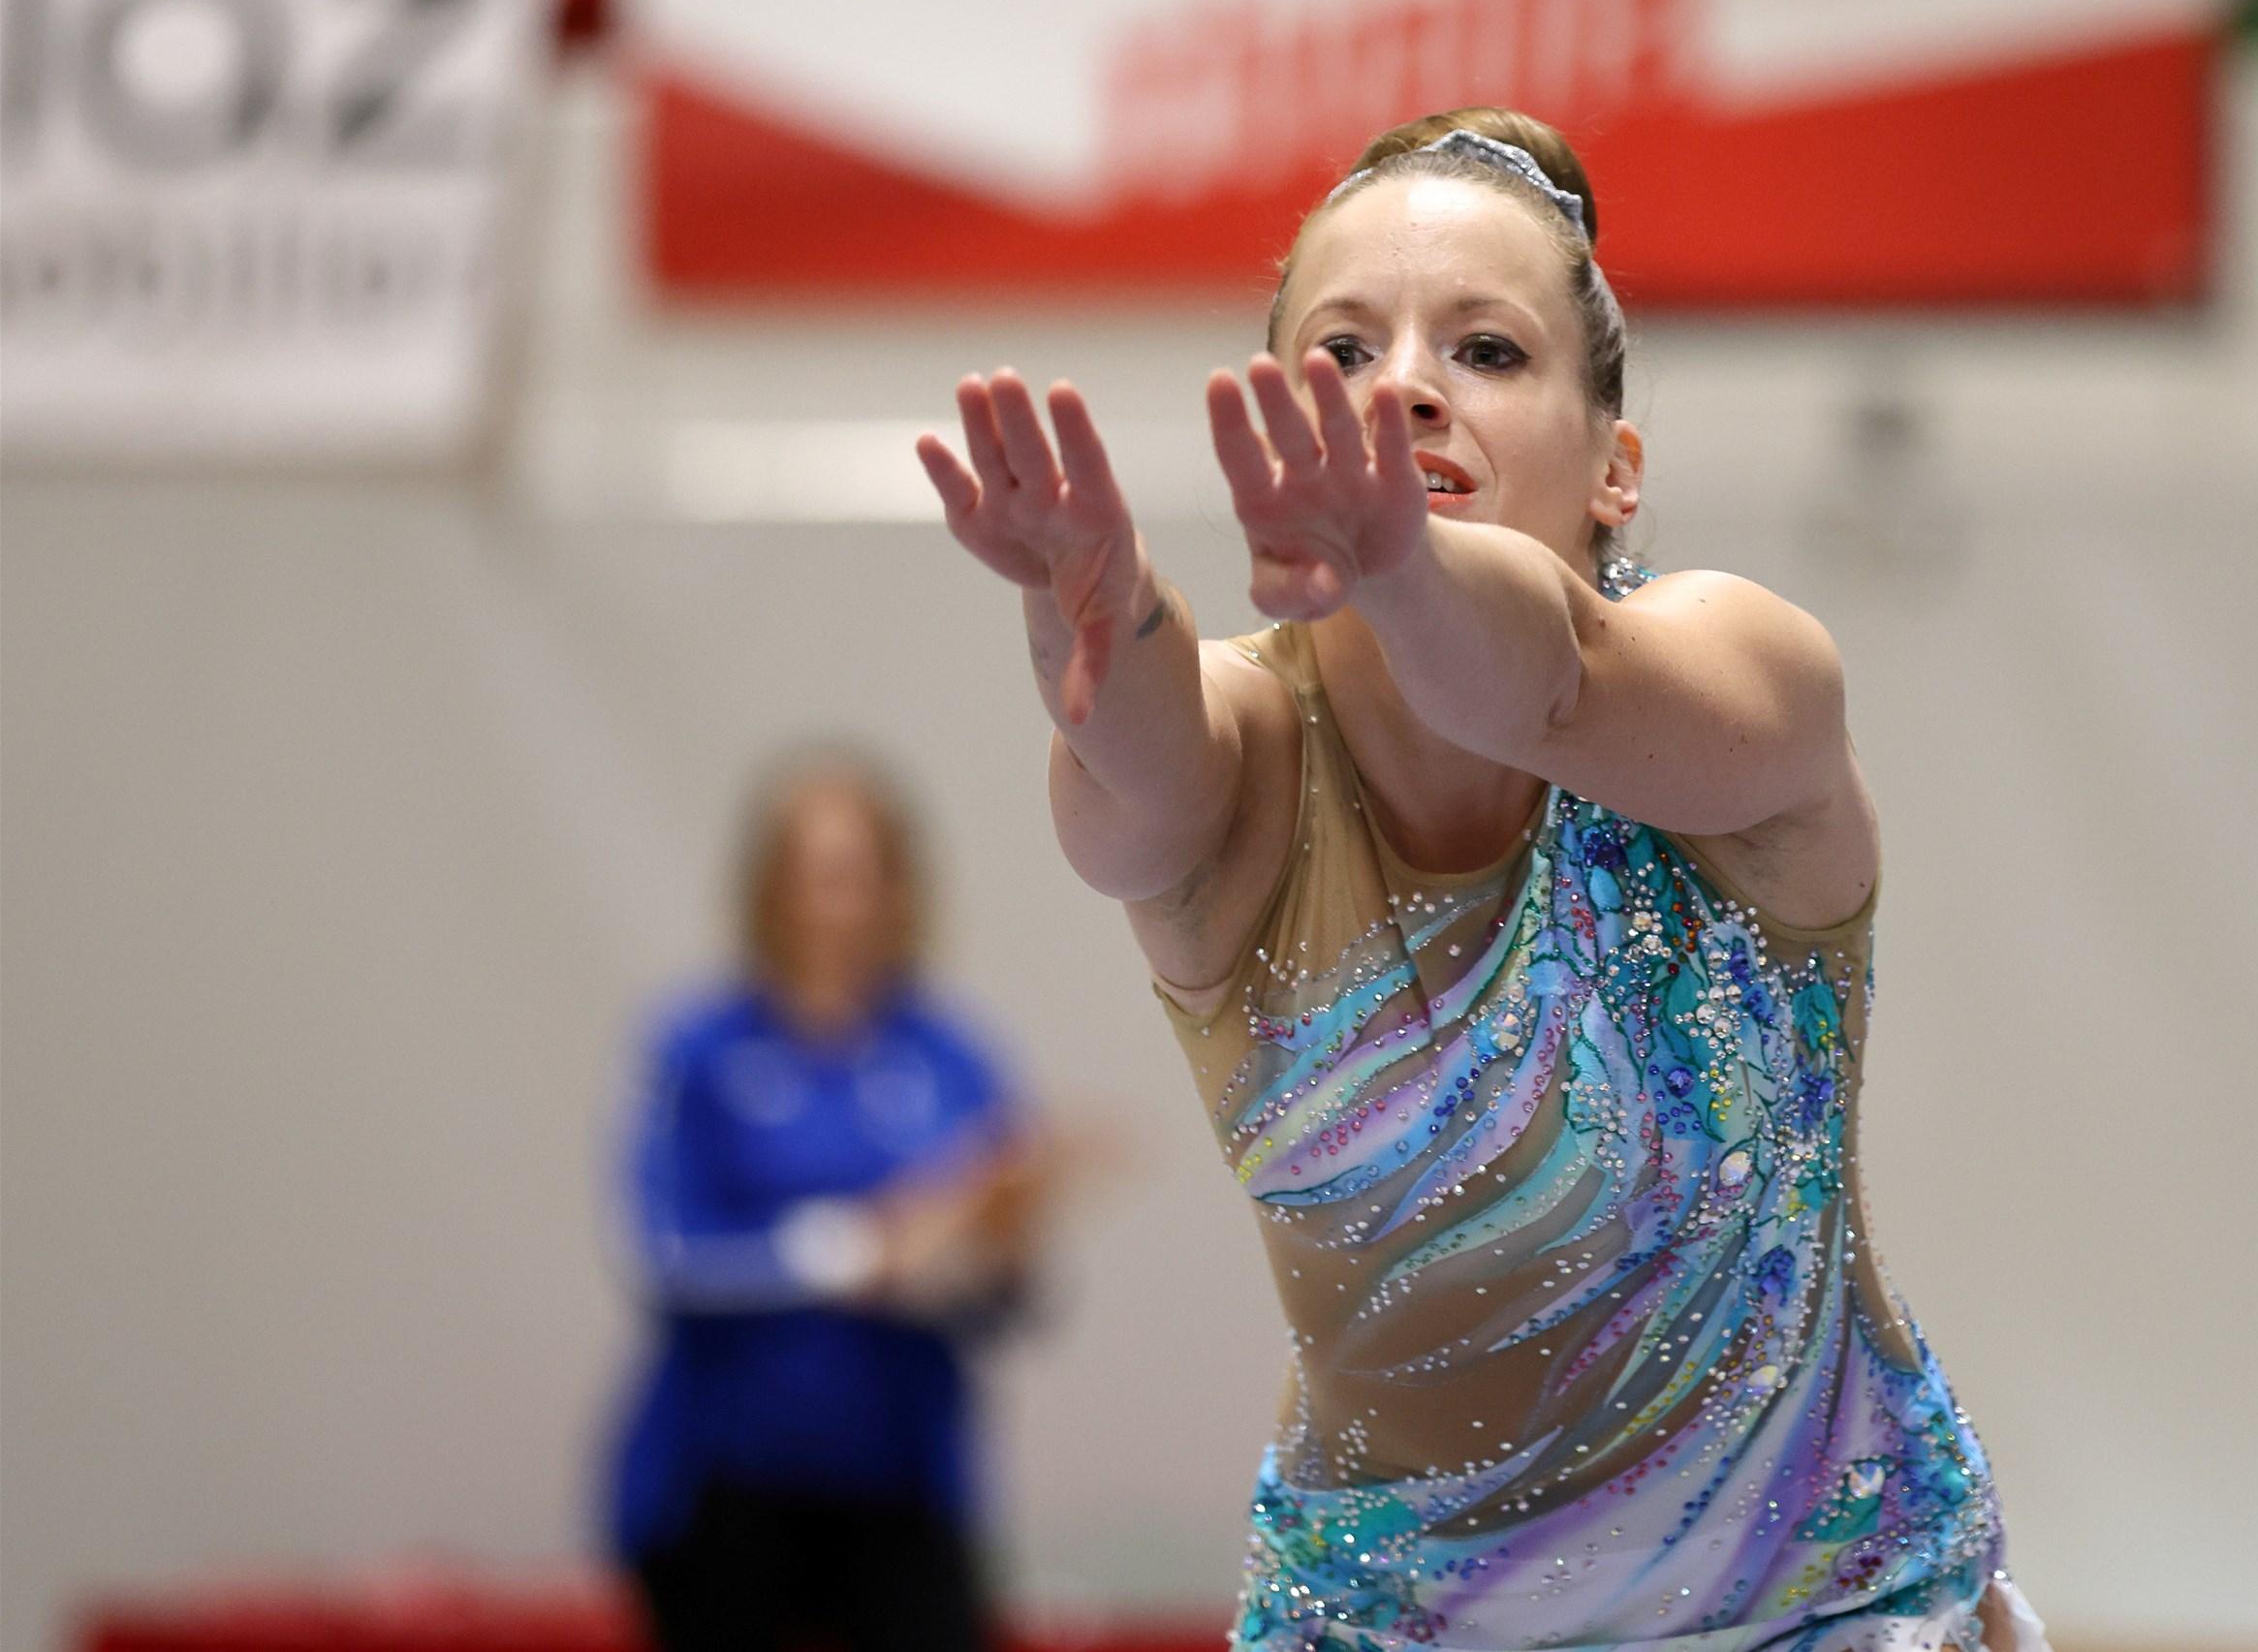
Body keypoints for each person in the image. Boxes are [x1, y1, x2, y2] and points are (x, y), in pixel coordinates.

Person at [916, 109, 2048, 1651]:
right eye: (1342, 352)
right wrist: (1090, 615)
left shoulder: (1742, 677)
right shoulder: (1248, 756)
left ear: (1616, 469)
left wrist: (1400, 561)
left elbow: (1549, 679)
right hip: (1385, 1623)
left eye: (1488, 352)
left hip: (1829, 1613)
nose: (1402, 389)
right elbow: (1134, 774)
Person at [605, 751, 1049, 1652]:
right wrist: (849, 1251)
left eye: (860, 874)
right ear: (768, 889)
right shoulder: (698, 1049)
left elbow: (1009, 1300)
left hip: (899, 1473)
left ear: (899, 890)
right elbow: (664, 1258)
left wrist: (983, 1253)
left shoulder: (950, 1059)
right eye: (815, 875)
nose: (838, 904)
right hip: (727, 1478)